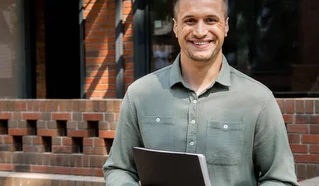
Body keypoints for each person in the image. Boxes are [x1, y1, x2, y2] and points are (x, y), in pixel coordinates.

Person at [102, 0, 299, 185]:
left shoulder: (258, 100)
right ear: (176, 27)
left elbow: (280, 178)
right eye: (190, 20)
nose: (200, 31)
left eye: (211, 20)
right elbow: (120, 168)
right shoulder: (140, 94)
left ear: (226, 26)